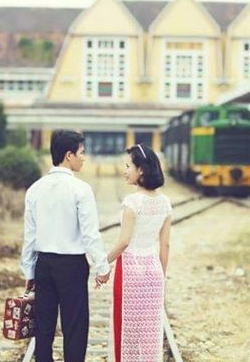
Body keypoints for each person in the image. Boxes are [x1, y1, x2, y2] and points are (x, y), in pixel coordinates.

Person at [21, 130, 111, 362]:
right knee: (75, 326)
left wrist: (29, 271)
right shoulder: (80, 190)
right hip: (72, 266)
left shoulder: (35, 189)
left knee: (43, 327)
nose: (84, 157)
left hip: (44, 265)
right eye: (81, 153)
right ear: (68, 155)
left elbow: (29, 237)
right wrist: (102, 267)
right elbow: (91, 234)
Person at [103, 143, 172, 362]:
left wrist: (102, 263)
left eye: (127, 166)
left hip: (130, 272)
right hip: (153, 270)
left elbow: (124, 242)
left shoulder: (132, 202)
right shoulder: (165, 203)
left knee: (126, 329)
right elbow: (165, 245)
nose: (125, 171)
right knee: (150, 332)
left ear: (140, 169)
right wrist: (161, 275)